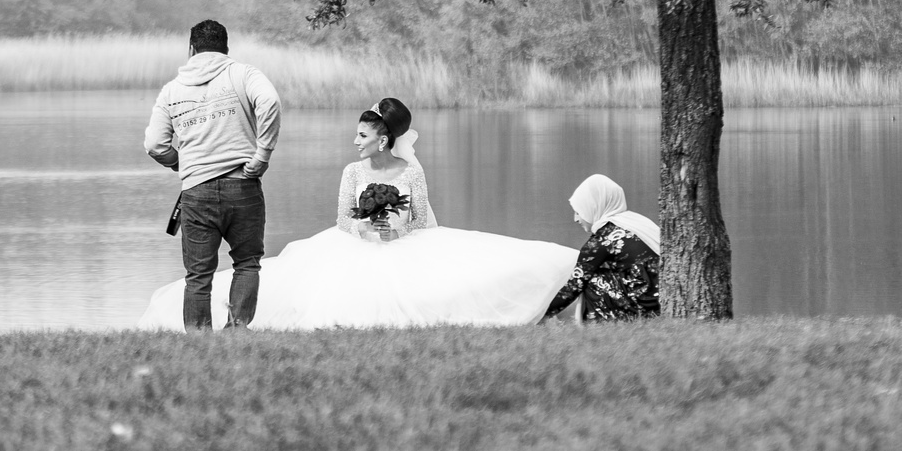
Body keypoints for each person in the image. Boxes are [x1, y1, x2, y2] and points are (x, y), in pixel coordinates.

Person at [140, 97, 579, 329]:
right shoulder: (352, 171)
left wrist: (396, 225)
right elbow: (341, 221)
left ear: (383, 140)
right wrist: (369, 225)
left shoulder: (411, 172)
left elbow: (423, 216)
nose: (355, 140)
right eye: (356, 133)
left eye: (363, 134)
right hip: (356, 245)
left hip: (404, 244)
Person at [144, 19, 282, 331]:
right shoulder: (243, 73)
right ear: (226, 49)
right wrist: (262, 155)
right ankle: (236, 331)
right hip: (242, 186)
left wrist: (181, 163)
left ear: (191, 49)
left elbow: (154, 144)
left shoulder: (172, 91)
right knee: (246, 263)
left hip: (196, 191)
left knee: (198, 275)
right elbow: (270, 101)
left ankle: (198, 340)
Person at [543, 174, 662, 321]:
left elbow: (573, 287)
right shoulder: (637, 222)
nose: (576, 219)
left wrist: (541, 314)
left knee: (588, 279)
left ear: (593, 208)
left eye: (579, 212)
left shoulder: (601, 240)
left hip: (645, 306)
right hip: (662, 297)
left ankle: (600, 325)